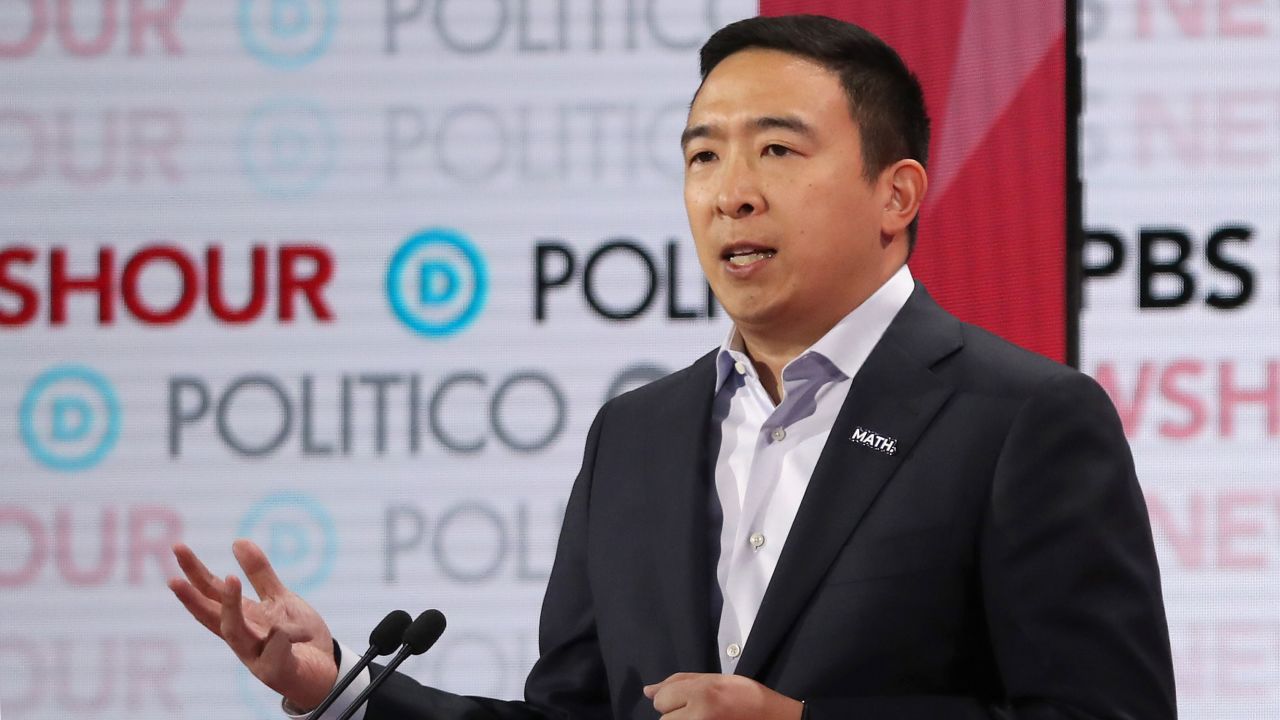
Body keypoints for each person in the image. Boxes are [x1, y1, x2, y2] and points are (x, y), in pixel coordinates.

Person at [169, 14, 1176, 720]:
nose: (730, 193)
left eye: (777, 152)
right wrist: (340, 688)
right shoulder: (637, 434)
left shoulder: (1022, 418)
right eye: (702, 156)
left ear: (896, 195)